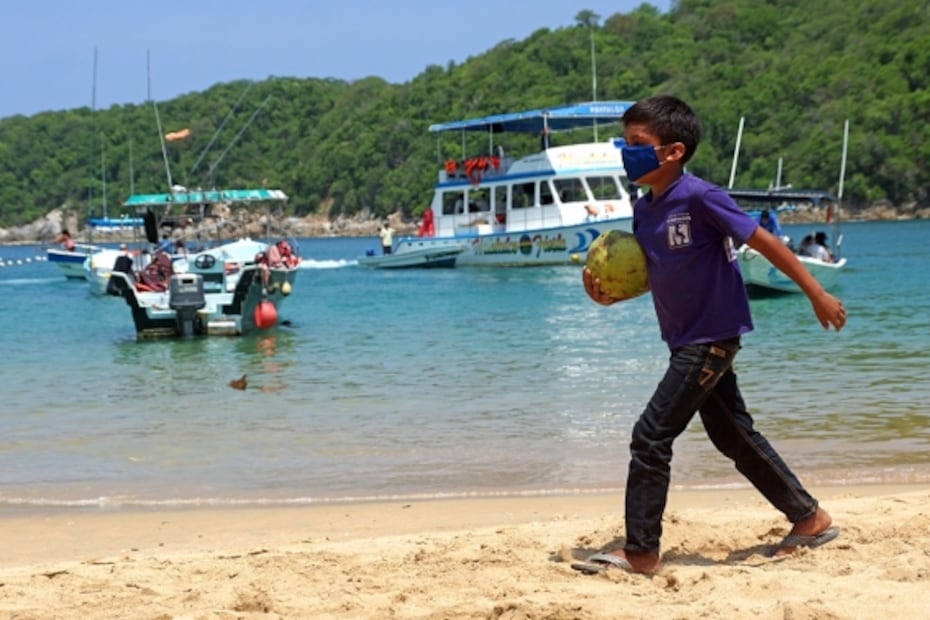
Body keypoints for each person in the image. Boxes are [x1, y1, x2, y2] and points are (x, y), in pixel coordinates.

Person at [577, 95, 846, 575]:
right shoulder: (644, 210)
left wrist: (815, 293)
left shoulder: (701, 197)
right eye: (625, 142)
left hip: (712, 337)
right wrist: (612, 297)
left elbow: (764, 242)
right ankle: (809, 518)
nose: (625, 152)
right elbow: (660, 274)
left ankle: (640, 553)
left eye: (637, 143)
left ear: (673, 151)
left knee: (651, 435)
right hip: (685, 339)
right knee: (734, 437)